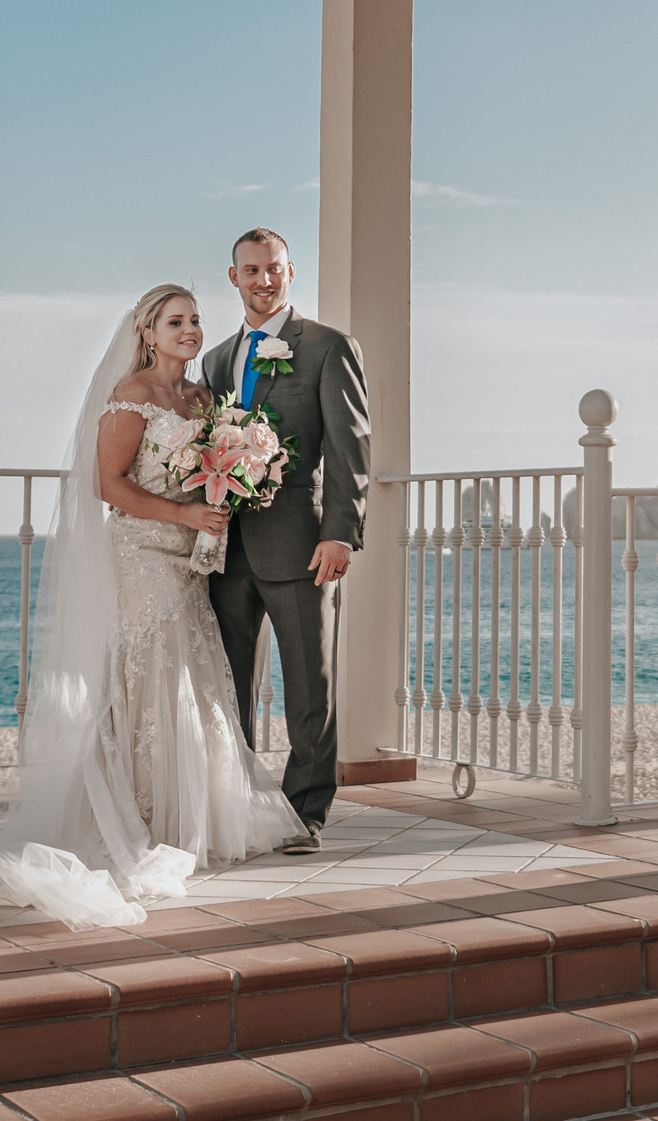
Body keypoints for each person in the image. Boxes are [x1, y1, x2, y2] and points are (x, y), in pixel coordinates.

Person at [0, 285, 300, 927]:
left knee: (190, 671)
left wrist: (238, 481)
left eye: (195, 320)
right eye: (176, 321)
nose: (190, 330)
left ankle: (192, 815)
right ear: (148, 331)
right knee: (149, 673)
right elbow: (108, 485)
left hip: (189, 561)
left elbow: (209, 469)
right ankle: (138, 815)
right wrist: (184, 512)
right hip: (140, 555)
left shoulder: (206, 400)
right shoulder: (132, 395)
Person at [200, 228, 371, 854]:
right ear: (233, 276)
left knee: (308, 682)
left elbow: (351, 449)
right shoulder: (216, 359)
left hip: (301, 541)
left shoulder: (327, 347)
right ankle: (238, 804)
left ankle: (305, 814)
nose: (262, 281)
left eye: (272, 269)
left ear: (290, 272)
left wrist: (341, 535)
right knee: (228, 683)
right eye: (251, 271)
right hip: (226, 548)